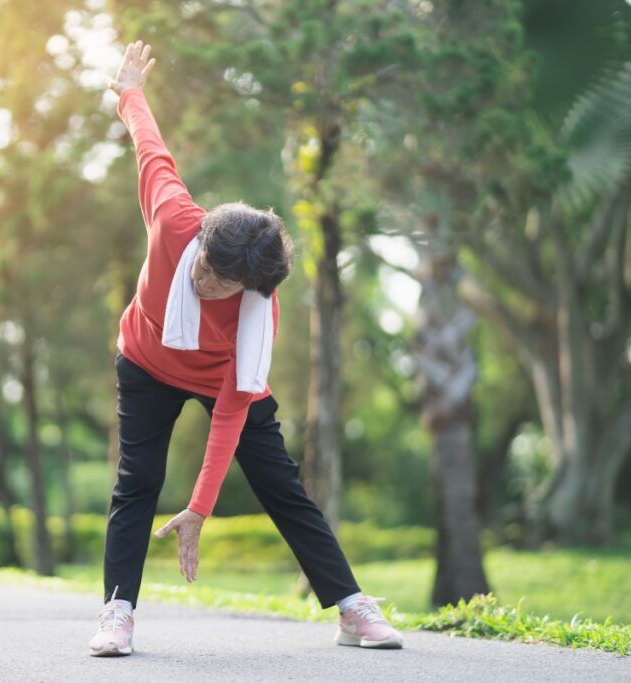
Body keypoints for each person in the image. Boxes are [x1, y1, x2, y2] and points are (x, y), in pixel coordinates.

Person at [88, 41, 403, 657]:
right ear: (201, 240)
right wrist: (130, 91)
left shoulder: (258, 311)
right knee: (137, 481)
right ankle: (117, 611)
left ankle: (349, 607)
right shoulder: (176, 218)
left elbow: (231, 411)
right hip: (147, 362)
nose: (206, 284)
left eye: (222, 286)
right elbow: (151, 148)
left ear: (251, 288)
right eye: (205, 270)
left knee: (280, 483)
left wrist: (200, 508)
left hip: (220, 379)